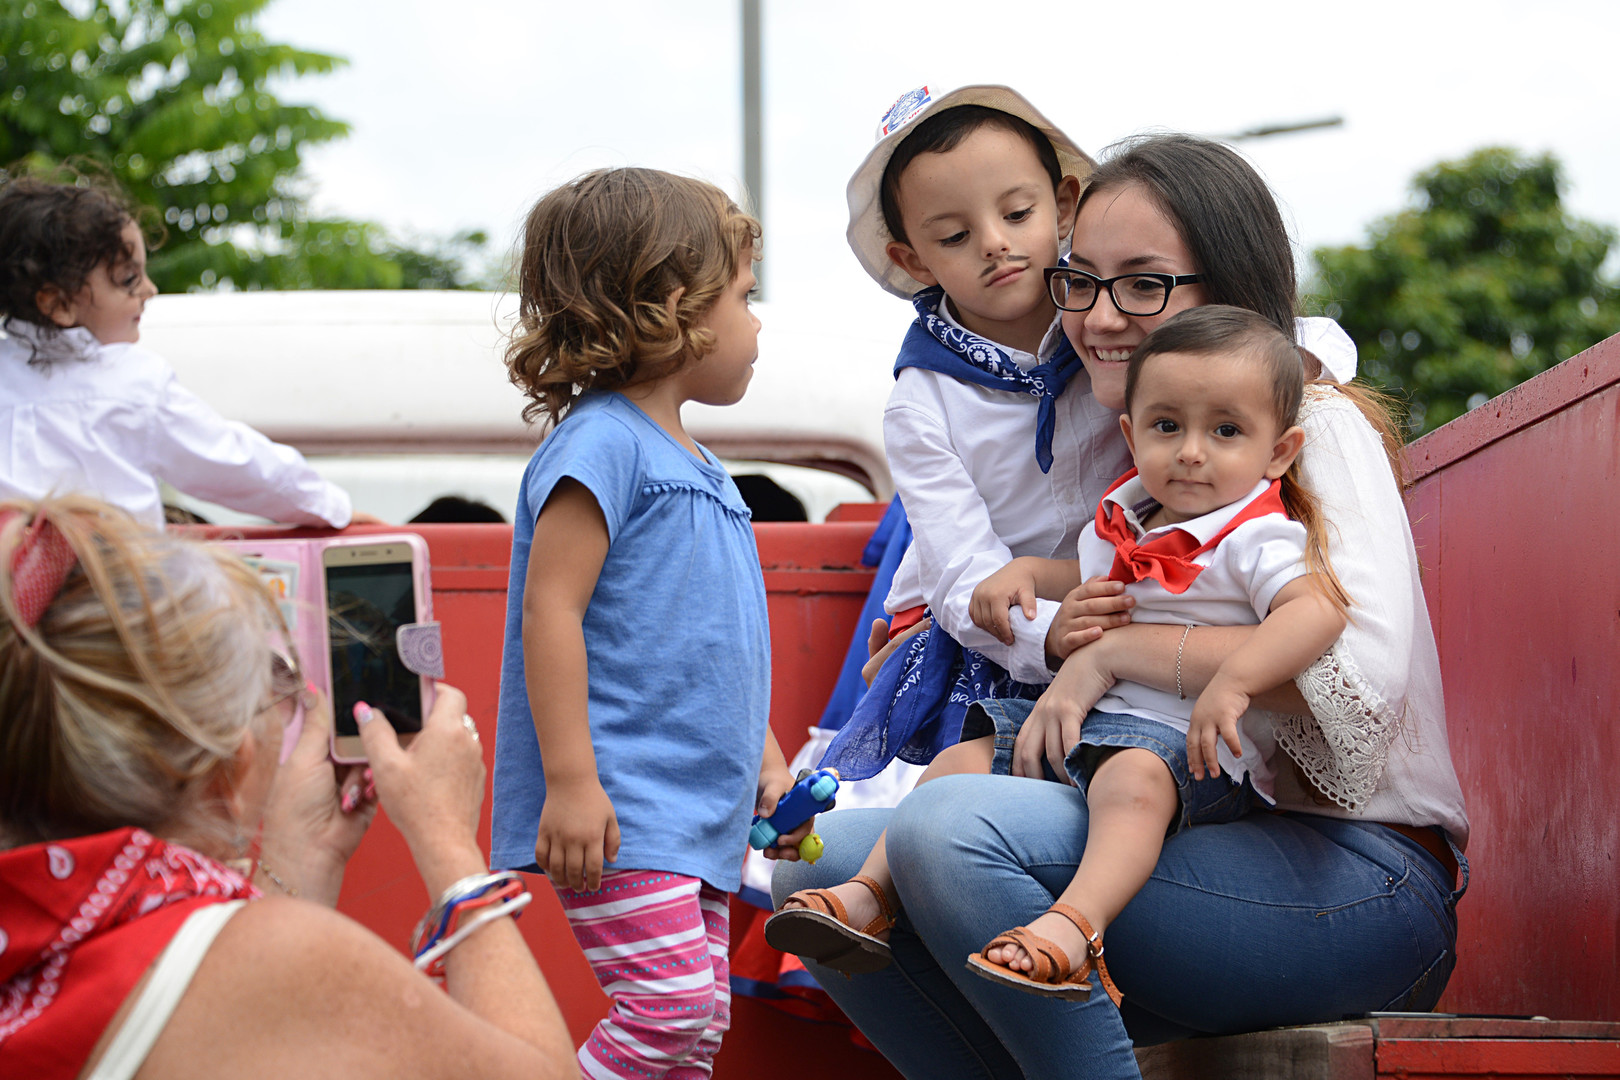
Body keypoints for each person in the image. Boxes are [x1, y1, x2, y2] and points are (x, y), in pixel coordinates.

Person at [774, 134, 1468, 1080]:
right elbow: (1057, 589)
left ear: (1225, 292)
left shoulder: (1313, 429)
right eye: (1081, 280)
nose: (1099, 318)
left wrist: (1113, 655)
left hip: (1361, 878)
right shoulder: (1142, 460)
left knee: (950, 832)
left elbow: (1353, 685)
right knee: (819, 864)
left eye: (1144, 285)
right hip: (1202, 832)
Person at [771, 305, 1356, 992]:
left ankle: (1077, 926)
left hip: (1188, 746)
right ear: (1133, 438)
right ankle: (870, 895)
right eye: (1169, 427)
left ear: (1279, 451)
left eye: (1226, 431)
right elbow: (1086, 576)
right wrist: (1023, 574)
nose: (1193, 451)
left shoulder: (1258, 535)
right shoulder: (1128, 517)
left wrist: (1235, 681)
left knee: (1130, 783)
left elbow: (1317, 610)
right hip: (1082, 719)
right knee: (964, 756)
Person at [0, 495, 577, 1079]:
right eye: (270, 691)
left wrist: (297, 864)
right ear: (228, 768)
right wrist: (449, 844)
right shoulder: (273, 959)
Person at [488, 168, 804, 1080]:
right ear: (676, 306)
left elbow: (714, 646)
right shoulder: (603, 444)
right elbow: (551, 610)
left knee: (697, 1026)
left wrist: (766, 759)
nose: (757, 321)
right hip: (625, 812)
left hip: (693, 815)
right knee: (667, 1011)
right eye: (744, 296)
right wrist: (571, 783)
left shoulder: (699, 465)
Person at [0, 176, 360, 531]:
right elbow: (234, 464)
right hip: (113, 584)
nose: (150, 289)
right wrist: (329, 507)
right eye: (129, 279)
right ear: (58, 304)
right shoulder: (131, 384)